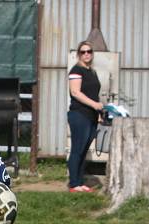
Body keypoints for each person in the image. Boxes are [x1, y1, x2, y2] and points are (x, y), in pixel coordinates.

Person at [67, 41, 103, 193]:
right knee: (77, 149)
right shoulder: (76, 70)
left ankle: (80, 182)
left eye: (89, 51)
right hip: (79, 114)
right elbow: (75, 92)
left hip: (91, 116)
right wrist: (95, 105)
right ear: (78, 55)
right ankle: (74, 183)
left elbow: (93, 93)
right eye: (83, 52)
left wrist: (98, 113)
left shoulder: (92, 72)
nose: (87, 54)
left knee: (84, 150)